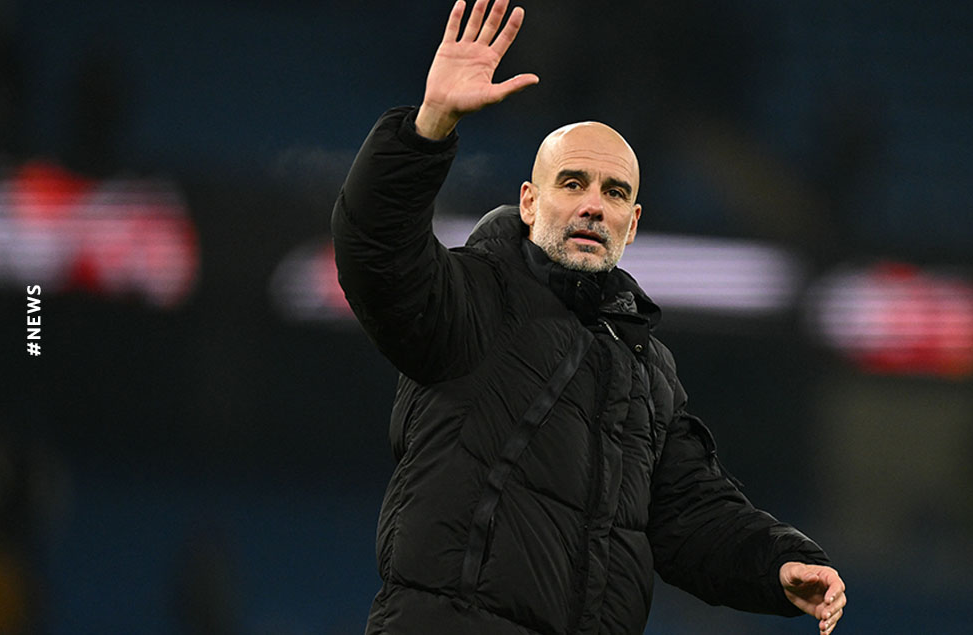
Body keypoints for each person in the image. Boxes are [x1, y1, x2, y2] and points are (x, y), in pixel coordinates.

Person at [332, 1, 847, 633]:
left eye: (614, 192)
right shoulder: (473, 297)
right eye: (572, 183)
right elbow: (377, 252)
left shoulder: (648, 370)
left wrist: (778, 564)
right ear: (529, 202)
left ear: (633, 223)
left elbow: (691, 513)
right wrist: (429, 126)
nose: (593, 206)